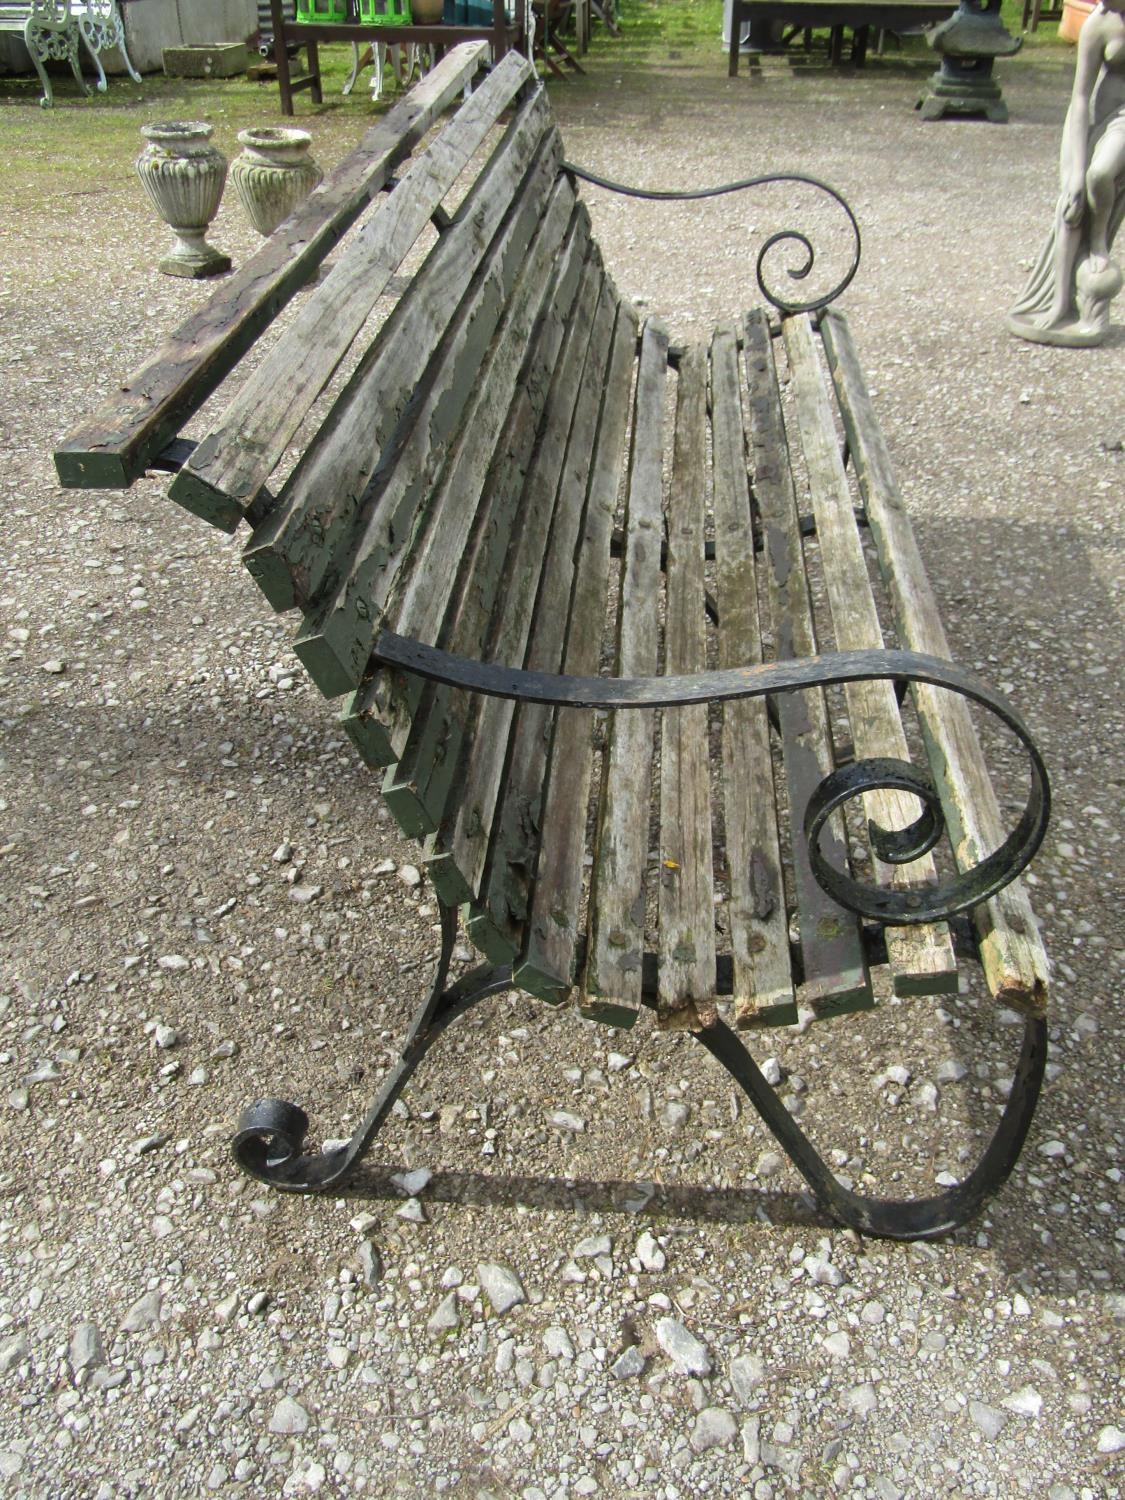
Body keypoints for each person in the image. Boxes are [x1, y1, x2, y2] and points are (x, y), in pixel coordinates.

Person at [1008, 0, 1125, 346]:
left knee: (1100, 174)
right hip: (1101, 123)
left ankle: (1097, 241)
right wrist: (1072, 171)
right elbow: (1079, 99)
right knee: (1071, 203)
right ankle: (1060, 303)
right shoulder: (1097, 25)